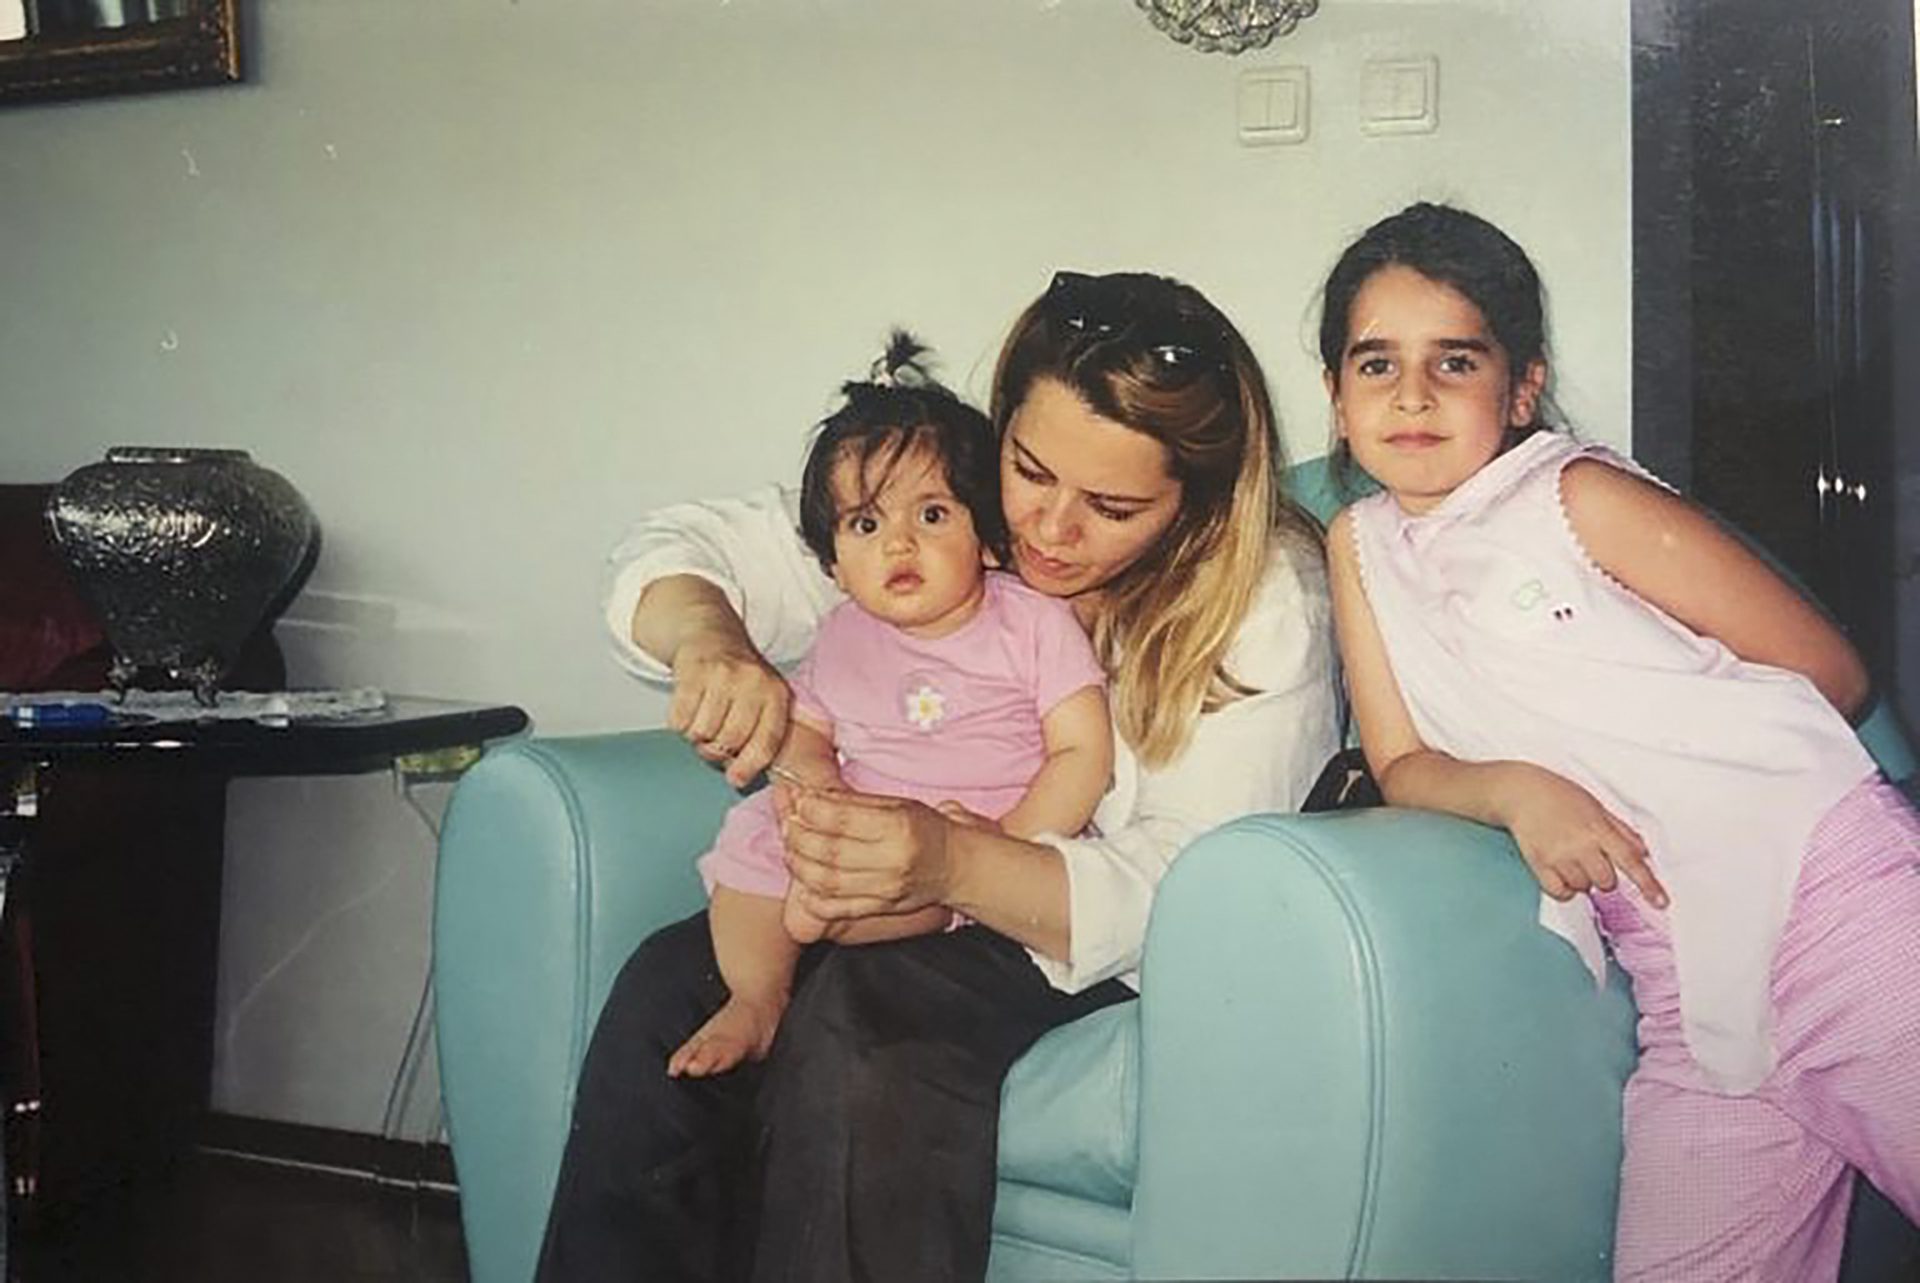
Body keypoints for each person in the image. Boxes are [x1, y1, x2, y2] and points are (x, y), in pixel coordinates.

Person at [536, 269, 1339, 1283]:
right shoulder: (950, 506)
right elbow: (678, 549)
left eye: (1112, 505)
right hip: (901, 882)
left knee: (872, 1019)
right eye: (1032, 471)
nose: (1050, 530)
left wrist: (955, 861)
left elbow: (1192, 886)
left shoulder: (1264, 596)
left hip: (1074, 930)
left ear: (1196, 502)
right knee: (668, 984)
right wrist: (712, 642)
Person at [1319, 201, 1920, 1283]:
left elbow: (1832, 670)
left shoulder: (1572, 494)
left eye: (1454, 361)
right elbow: (1404, 760)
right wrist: (1516, 790)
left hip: (1830, 903)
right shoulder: (1359, 547)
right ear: (1336, 394)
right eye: (1376, 364)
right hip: (1683, 979)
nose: (1411, 395)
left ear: (1522, 385)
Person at [668, 332, 1113, 1080]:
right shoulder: (844, 634)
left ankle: (836, 918)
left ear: (988, 538)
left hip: (975, 836)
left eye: (933, 515)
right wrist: (816, 806)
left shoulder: (1030, 621)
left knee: (910, 899)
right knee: (749, 841)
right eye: (866, 525)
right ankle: (757, 995)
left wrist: (1007, 841)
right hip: (866, 822)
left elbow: (1083, 752)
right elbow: (806, 735)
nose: (899, 543)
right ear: (836, 565)